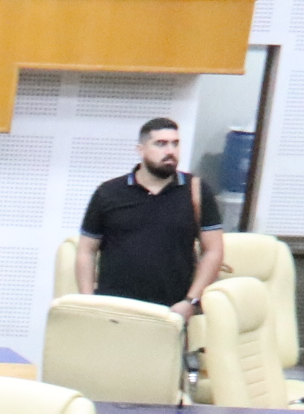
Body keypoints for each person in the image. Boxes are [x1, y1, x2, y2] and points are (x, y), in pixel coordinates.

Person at [78, 116, 225, 316]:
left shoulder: (196, 191)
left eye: (175, 144)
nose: (170, 151)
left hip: (171, 311)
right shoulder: (108, 192)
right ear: (141, 150)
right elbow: (86, 251)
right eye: (161, 144)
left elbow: (213, 252)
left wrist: (190, 301)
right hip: (113, 309)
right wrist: (88, 303)